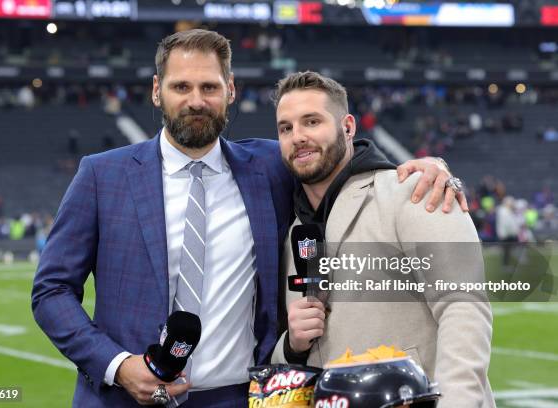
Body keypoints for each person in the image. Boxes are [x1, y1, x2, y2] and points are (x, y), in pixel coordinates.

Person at [32, 30, 465, 407]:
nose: (196, 101)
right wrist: (118, 365)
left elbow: (334, 157)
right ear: (156, 90)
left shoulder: (269, 167)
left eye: (210, 87)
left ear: (231, 90)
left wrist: (424, 168)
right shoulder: (101, 175)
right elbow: (51, 291)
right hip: (124, 399)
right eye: (181, 86)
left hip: (241, 397)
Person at [270, 71, 494, 408]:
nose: (298, 136)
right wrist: (292, 346)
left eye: (312, 122)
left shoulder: (415, 190)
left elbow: (464, 307)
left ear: (347, 127)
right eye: (286, 128)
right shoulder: (293, 232)